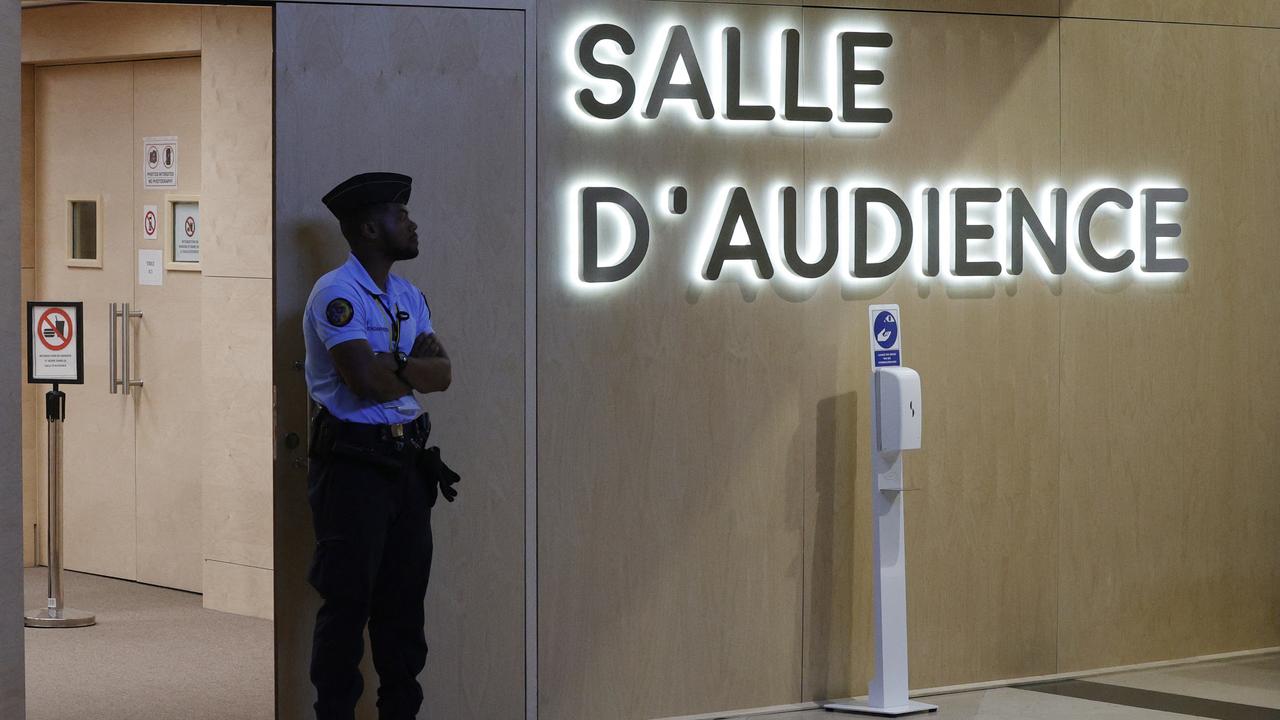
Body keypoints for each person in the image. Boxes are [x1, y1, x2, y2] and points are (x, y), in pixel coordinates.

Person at [302, 171, 457, 720]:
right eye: (400, 216)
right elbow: (363, 382)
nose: (412, 223)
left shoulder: (409, 295)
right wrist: (410, 369)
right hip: (354, 469)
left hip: (408, 467)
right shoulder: (337, 294)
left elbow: (443, 374)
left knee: (402, 613)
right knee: (346, 607)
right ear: (369, 228)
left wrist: (400, 368)